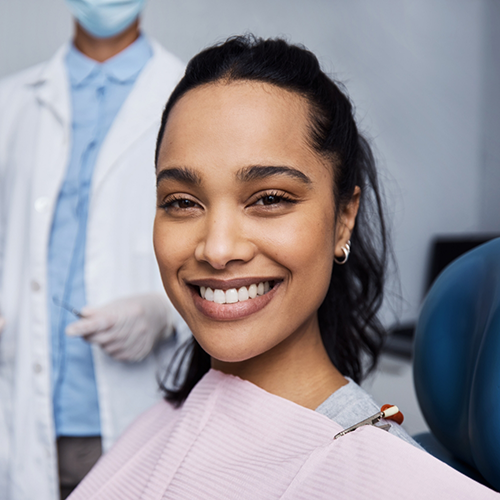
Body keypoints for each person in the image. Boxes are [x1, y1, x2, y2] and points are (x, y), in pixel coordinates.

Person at [71, 36, 498, 498]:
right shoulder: (157, 423)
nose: (216, 249)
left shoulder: (388, 479)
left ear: (343, 219)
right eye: (182, 202)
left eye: (270, 199)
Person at [0, 1, 189, 499]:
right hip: (20, 411)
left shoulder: (190, 98)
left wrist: (166, 313)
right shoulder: (11, 102)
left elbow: (224, 243)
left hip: (139, 410)